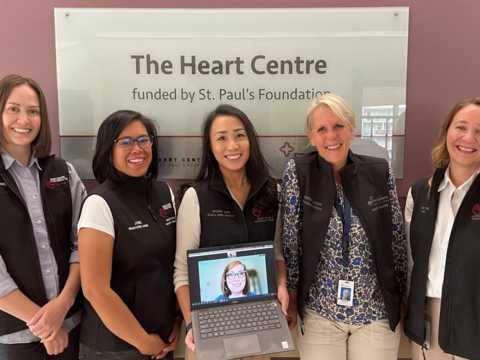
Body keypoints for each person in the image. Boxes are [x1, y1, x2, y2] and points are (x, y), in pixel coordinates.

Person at [282, 94, 406, 360]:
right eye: (322, 129)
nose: (331, 136)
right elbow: (291, 243)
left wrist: (403, 296)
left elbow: (396, 240)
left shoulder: (379, 171)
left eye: (338, 126)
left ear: (352, 128)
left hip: (376, 312)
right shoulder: (298, 172)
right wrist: (292, 296)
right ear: (311, 136)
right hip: (319, 311)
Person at [174, 104, 287, 360]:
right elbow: (182, 272)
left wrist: (281, 286)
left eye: (239, 135)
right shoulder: (196, 198)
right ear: (211, 147)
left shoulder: (273, 192)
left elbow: (277, 253)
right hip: (211, 328)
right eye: (221, 138)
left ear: (250, 141)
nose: (232, 146)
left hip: (259, 324)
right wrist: (193, 325)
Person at [77, 110, 182, 360]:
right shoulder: (99, 204)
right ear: (107, 149)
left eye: (143, 140)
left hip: (162, 339)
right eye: (125, 142)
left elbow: (171, 266)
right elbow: (95, 290)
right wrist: (142, 342)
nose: (137, 149)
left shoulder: (163, 193)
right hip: (114, 348)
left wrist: (177, 318)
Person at [0, 74, 85, 359]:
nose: (23, 120)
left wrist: (63, 305)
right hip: (16, 336)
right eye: (13, 109)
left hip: (73, 325)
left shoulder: (63, 172)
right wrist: (45, 325)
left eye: (32, 111)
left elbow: (82, 246)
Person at [404, 98, 480, 360]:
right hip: (427, 320)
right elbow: (411, 262)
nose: (469, 137)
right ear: (447, 131)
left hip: (474, 320)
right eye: (461, 127)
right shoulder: (420, 193)